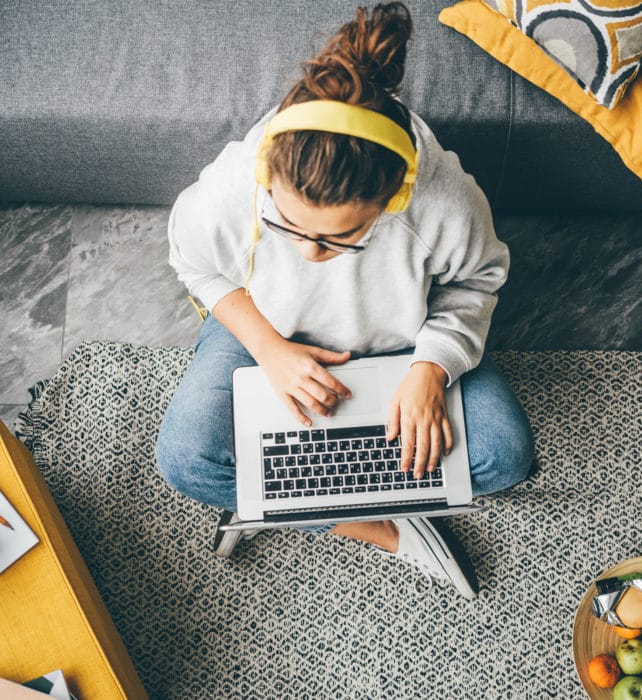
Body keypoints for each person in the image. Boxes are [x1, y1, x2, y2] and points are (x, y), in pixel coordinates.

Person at [156, 2, 534, 599]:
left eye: (338, 239)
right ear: (267, 172)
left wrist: (431, 368)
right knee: (186, 460)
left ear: (394, 196)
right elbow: (194, 263)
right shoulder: (236, 184)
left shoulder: (444, 203)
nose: (308, 253)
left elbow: (478, 281)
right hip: (266, 329)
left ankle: (301, 498)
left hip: (406, 337)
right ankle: (378, 525)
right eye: (289, 226)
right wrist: (270, 349)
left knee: (507, 457)